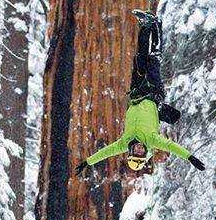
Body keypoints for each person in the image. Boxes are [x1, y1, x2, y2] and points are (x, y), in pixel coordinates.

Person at [75, 10, 204, 176]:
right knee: (153, 59)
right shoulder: (152, 140)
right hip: (152, 93)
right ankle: (156, 26)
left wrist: (87, 162)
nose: (139, 148)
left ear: (130, 152)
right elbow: (172, 147)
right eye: (141, 152)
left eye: (135, 151)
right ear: (145, 153)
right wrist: (190, 157)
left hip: (136, 93)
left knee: (140, 58)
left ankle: (145, 25)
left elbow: (106, 152)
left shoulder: (123, 143)